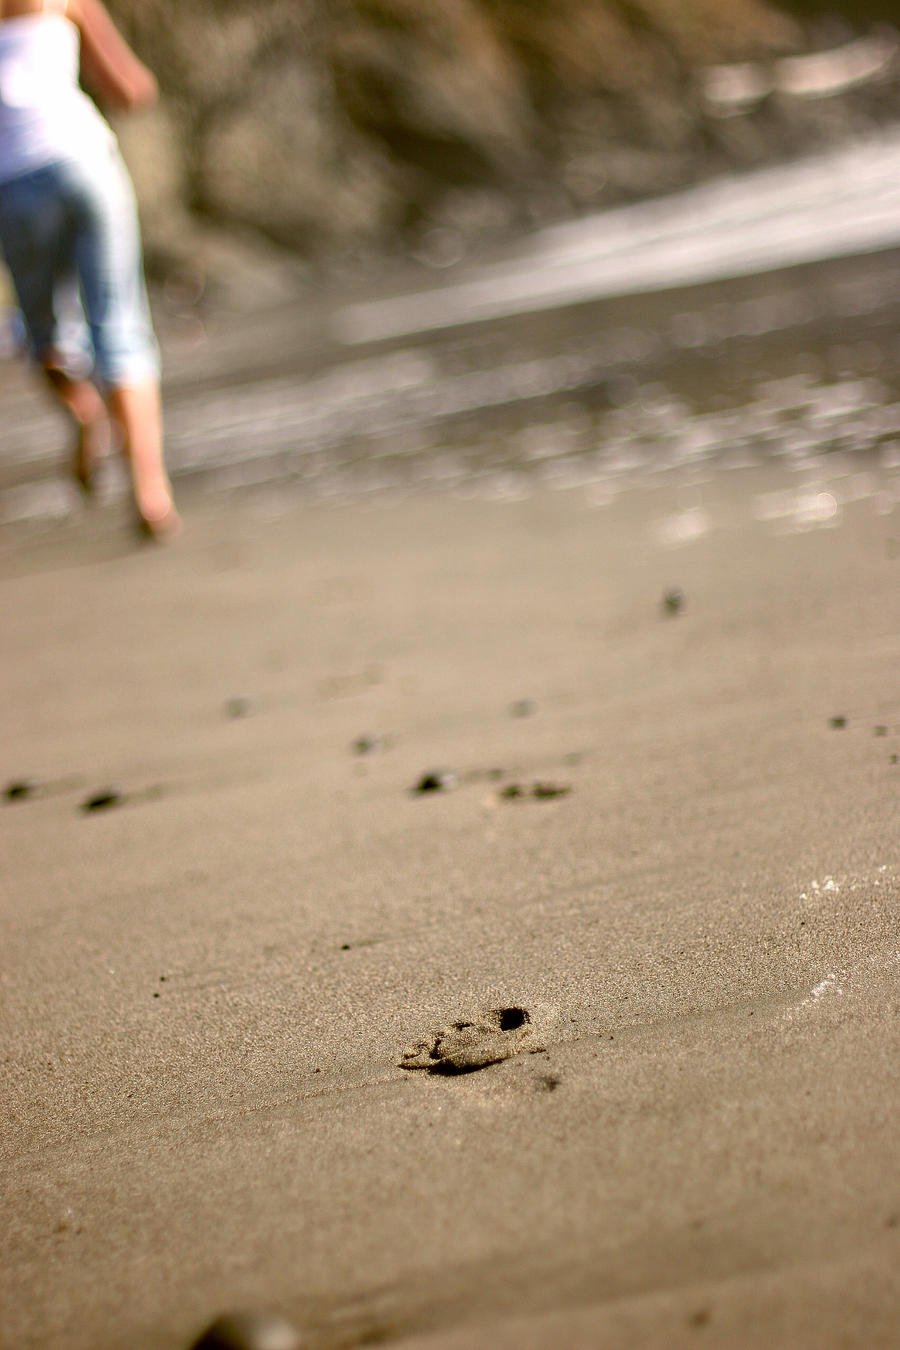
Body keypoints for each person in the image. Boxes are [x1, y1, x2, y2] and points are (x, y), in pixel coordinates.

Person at [0, 0, 178, 537]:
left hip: (14, 184)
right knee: (120, 324)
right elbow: (132, 90)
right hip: (85, 161)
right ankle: (151, 492)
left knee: (43, 334)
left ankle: (84, 414)